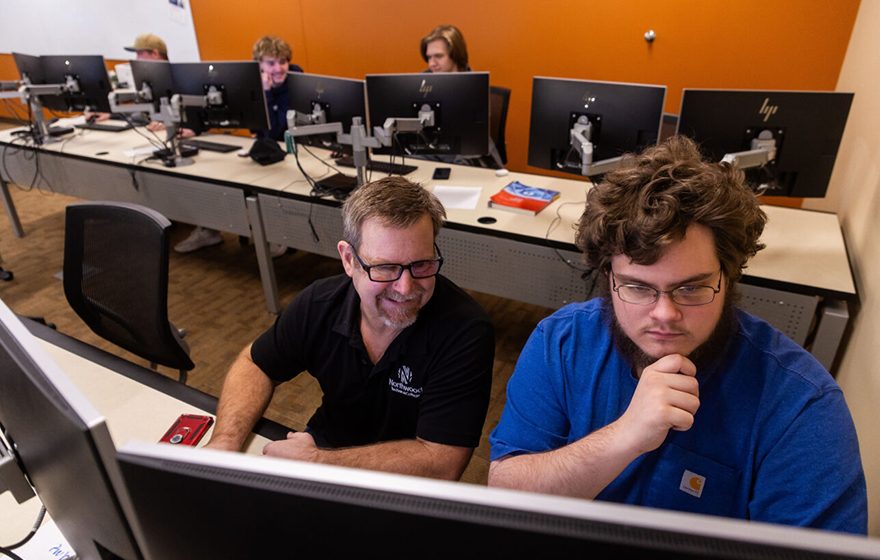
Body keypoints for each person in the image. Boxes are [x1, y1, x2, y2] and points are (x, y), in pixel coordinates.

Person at [488, 136, 867, 533]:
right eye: (637, 287)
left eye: (691, 287)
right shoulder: (561, 343)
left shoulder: (801, 405)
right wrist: (624, 436)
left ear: (729, 274)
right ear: (608, 277)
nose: (665, 314)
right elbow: (504, 494)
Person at [205, 176, 495, 481]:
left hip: (409, 478)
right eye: (385, 267)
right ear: (348, 259)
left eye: (421, 264)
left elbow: (440, 463)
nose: (406, 287)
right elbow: (256, 364)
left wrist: (319, 462)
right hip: (327, 444)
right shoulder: (320, 303)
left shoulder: (465, 330)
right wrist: (225, 441)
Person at [174, 35, 303, 255]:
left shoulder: (296, 81)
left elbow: (275, 129)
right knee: (214, 175)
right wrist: (196, 129)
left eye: (282, 61)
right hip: (264, 149)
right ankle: (209, 230)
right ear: (259, 66)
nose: (279, 68)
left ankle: (278, 233)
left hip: (292, 150)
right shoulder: (251, 81)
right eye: (271, 63)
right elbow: (231, 115)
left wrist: (268, 93)